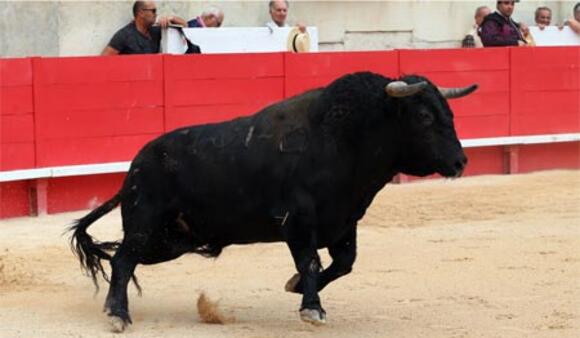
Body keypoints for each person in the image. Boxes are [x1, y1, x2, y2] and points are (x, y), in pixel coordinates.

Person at [102, 1, 186, 55]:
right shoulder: (124, 35)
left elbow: (185, 26)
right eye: (153, 11)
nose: (156, 14)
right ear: (141, 13)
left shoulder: (155, 30)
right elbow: (102, 60)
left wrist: (172, 18)